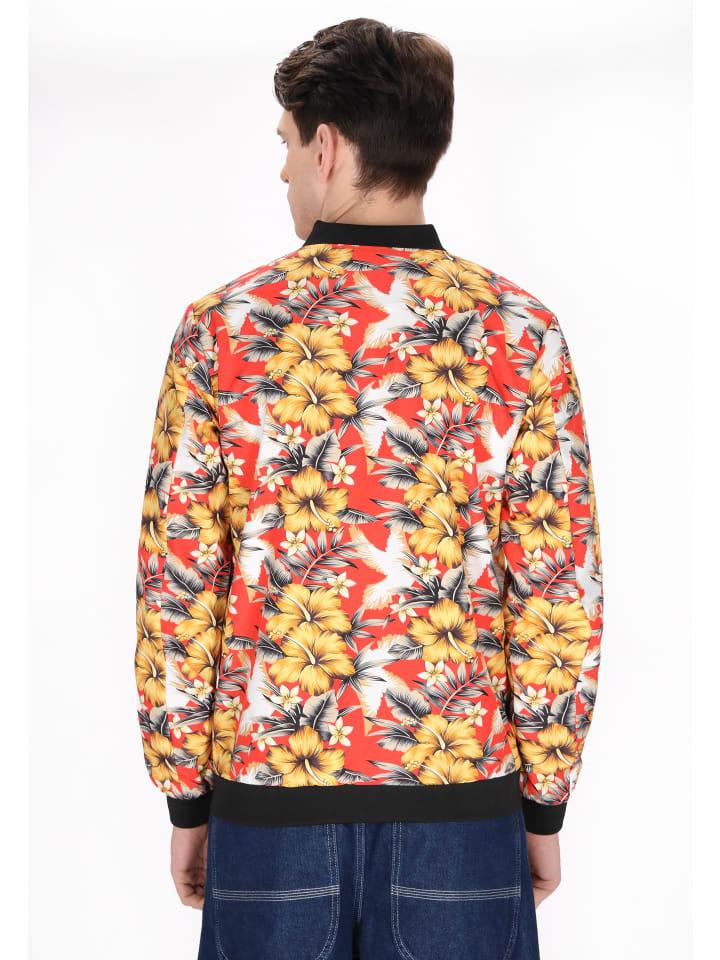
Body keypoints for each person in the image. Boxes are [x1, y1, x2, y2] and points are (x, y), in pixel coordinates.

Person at [133, 17, 604, 960]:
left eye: (285, 144)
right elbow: (558, 592)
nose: (283, 172)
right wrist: (544, 804)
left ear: (327, 145)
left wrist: (186, 796)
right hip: (463, 805)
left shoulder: (223, 329)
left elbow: (178, 584)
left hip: (268, 804)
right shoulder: (521, 333)